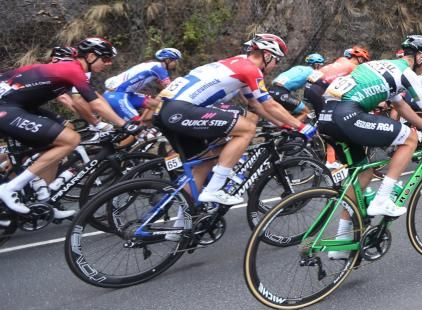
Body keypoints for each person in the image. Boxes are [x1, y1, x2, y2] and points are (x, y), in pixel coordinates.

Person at [316, 34, 422, 219]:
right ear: (420, 57)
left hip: (326, 118)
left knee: (364, 174)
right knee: (409, 139)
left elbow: (400, 105)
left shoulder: (382, 66)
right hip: (347, 115)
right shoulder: (406, 73)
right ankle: (382, 200)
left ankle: (341, 245)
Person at [155, 33, 316, 206]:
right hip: (181, 110)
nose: (276, 65)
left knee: (204, 163)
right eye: (276, 60)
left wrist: (282, 124)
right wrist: (300, 126)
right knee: (247, 128)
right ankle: (215, 187)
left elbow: (255, 105)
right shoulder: (250, 69)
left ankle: (181, 225)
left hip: (164, 111)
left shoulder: (238, 62)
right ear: (267, 55)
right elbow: (269, 104)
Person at [0, 38, 139, 217]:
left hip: (16, 105)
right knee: (71, 139)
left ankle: (43, 201)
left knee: (56, 143)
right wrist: (125, 125)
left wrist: (110, 122)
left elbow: (92, 98)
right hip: (6, 107)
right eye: (105, 59)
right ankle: (11, 188)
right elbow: (94, 103)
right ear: (90, 56)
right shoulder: (72, 69)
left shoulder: (65, 70)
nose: (108, 63)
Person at [103, 47, 182, 123]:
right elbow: (170, 87)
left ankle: (145, 127)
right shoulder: (158, 68)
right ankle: (140, 130)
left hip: (127, 94)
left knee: (156, 105)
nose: (176, 64)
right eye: (175, 61)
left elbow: (163, 86)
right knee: (135, 125)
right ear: (168, 60)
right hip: (117, 94)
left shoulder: (153, 65)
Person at [304, 46, 369, 111]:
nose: (363, 63)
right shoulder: (355, 68)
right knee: (325, 115)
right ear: (360, 59)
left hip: (310, 85)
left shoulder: (342, 59)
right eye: (363, 60)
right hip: (319, 89)